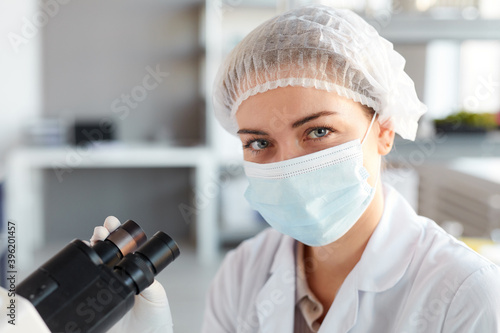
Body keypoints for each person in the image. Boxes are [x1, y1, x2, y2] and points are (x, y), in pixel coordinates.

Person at [92, 4, 500, 332]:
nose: (287, 166)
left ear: (385, 131)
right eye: (259, 142)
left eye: (318, 131)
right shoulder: (241, 273)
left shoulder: (464, 292)